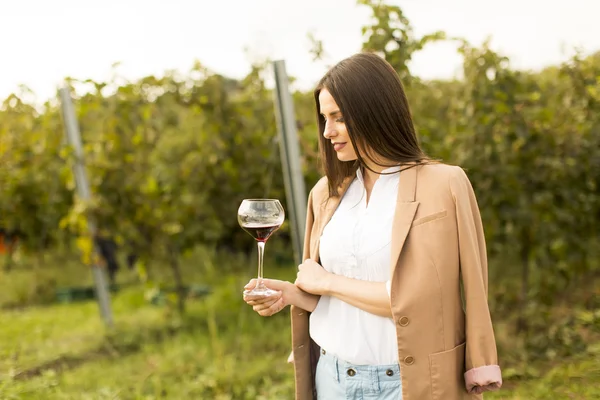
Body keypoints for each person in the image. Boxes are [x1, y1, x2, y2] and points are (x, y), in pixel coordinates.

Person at [243, 52, 502, 399]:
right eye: (324, 118)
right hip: (332, 380)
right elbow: (325, 293)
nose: (327, 131)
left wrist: (328, 282)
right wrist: (294, 295)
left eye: (338, 117)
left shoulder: (444, 186)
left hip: (409, 384)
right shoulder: (325, 193)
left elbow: (414, 300)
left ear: (373, 111)